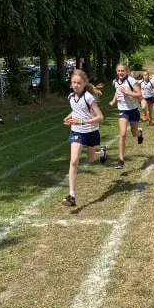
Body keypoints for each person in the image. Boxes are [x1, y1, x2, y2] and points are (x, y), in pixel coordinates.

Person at [59, 70, 106, 208]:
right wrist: (69, 117)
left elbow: (100, 117)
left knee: (91, 158)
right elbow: (76, 109)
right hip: (76, 132)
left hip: (91, 131)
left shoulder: (88, 97)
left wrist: (81, 122)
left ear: (85, 83)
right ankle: (71, 196)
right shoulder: (71, 97)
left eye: (79, 83)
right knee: (73, 161)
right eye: (74, 82)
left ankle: (102, 153)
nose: (76, 85)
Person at [108, 63, 144, 170]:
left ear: (127, 71)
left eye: (122, 71)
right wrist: (114, 100)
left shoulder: (132, 81)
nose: (120, 73)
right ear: (116, 71)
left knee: (134, 133)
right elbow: (117, 91)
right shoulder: (115, 82)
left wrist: (126, 92)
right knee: (122, 133)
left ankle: (140, 133)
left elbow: (139, 95)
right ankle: (121, 160)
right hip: (123, 110)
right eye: (118, 71)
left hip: (133, 110)